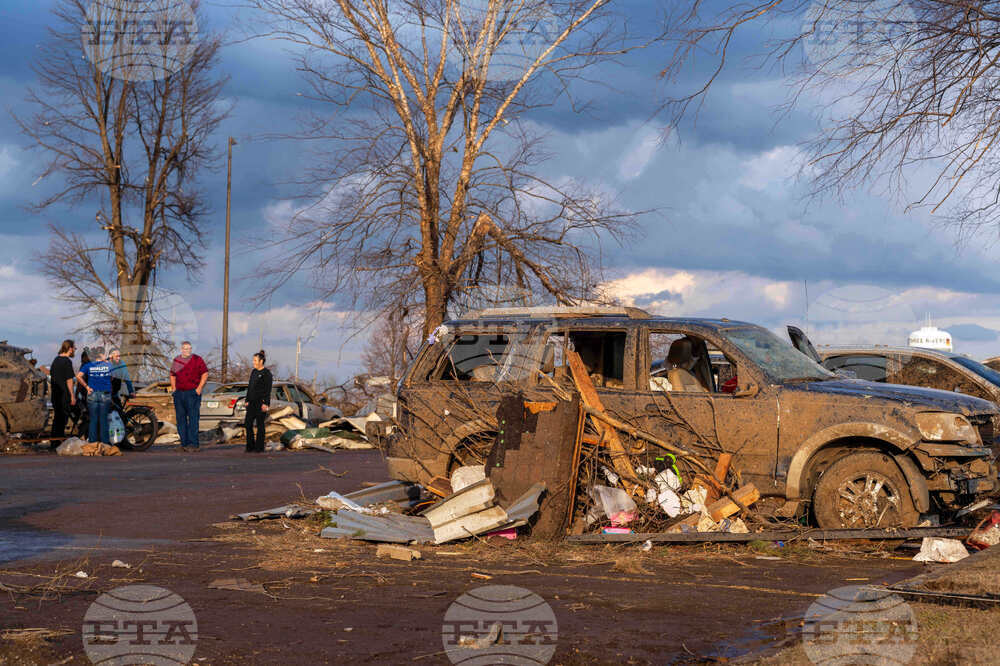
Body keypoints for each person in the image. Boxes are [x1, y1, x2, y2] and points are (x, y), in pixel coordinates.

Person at [169, 341, 209, 451]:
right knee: (180, 419)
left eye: (189, 348)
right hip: (179, 394)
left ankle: (194, 444)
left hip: (192, 393)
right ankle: (184, 444)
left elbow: (205, 374)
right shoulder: (177, 360)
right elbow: (172, 375)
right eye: (185, 348)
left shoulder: (197, 359)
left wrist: (199, 388)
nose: (188, 350)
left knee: (193, 419)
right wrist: (174, 389)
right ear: (181, 349)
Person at [76, 347, 113, 444]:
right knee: (103, 419)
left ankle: (92, 443)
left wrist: (87, 387)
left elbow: (78, 376)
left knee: (93, 419)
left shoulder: (89, 365)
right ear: (102, 355)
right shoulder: (108, 365)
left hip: (92, 393)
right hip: (105, 393)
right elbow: (114, 376)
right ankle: (105, 443)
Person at [49, 339, 76, 447]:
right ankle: (58, 440)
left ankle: (54, 440)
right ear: (70, 348)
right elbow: (69, 380)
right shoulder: (67, 361)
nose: (75, 350)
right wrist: (72, 396)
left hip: (55, 394)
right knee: (63, 417)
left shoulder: (55, 360)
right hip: (64, 394)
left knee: (57, 417)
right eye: (74, 348)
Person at [244, 350, 273, 453]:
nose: (253, 362)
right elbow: (250, 387)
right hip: (251, 402)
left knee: (260, 425)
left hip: (261, 403)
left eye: (255, 360)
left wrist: (266, 403)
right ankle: (250, 446)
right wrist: (247, 400)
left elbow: (268, 389)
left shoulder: (267, 374)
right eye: (253, 360)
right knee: (247, 424)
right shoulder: (254, 372)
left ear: (261, 361)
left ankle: (259, 447)